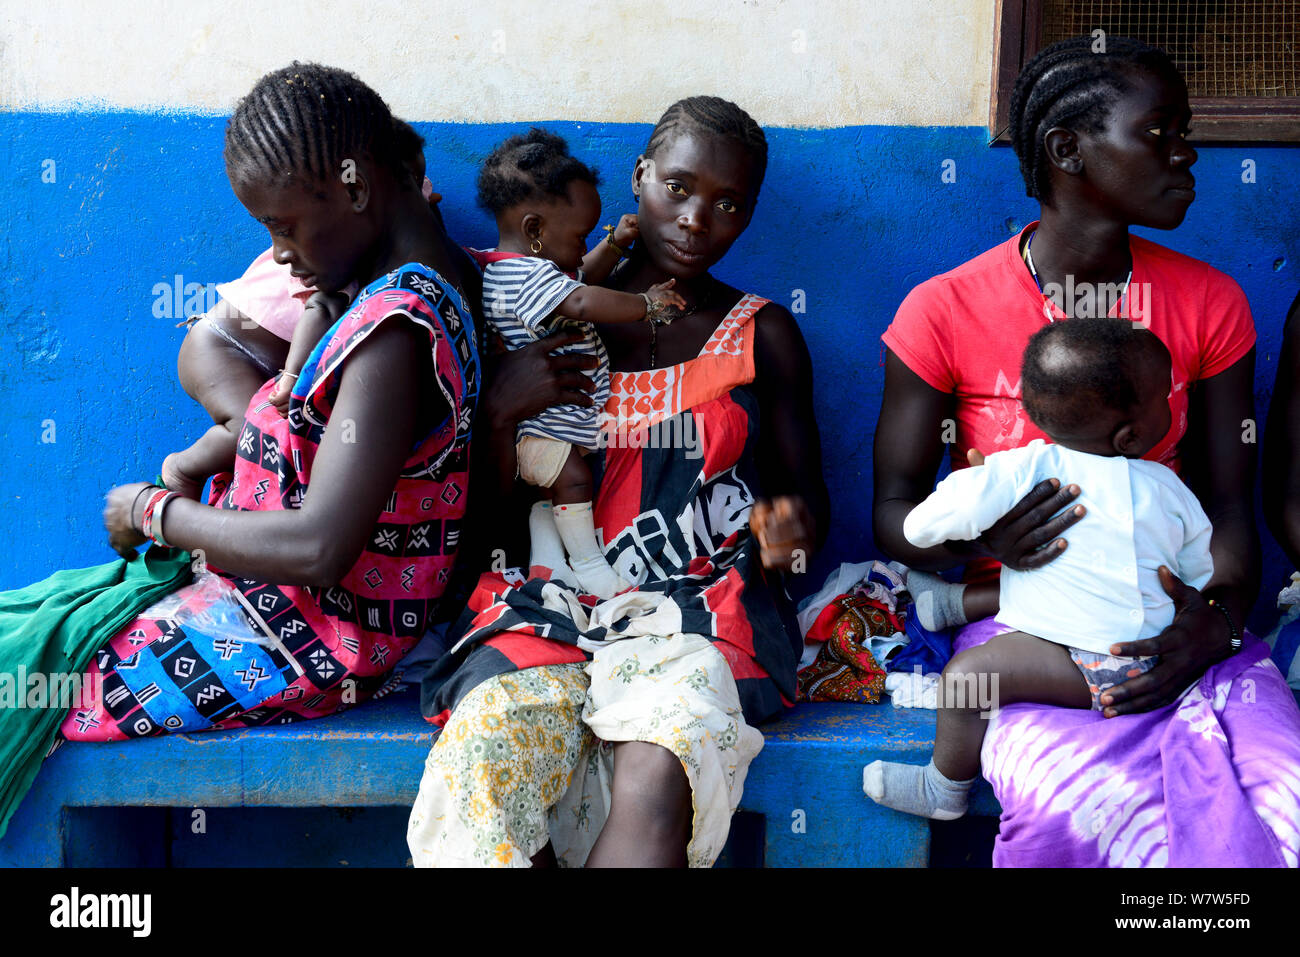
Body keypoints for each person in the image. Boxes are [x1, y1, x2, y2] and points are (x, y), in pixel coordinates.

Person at [873, 36, 1300, 866]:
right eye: (1160, 131)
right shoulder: (942, 309)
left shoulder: (1211, 303)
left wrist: (1210, 628)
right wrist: (978, 547)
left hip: (1182, 622)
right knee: (1081, 810)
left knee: (1286, 795)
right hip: (1026, 631)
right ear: (1067, 148)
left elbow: (1226, 508)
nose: (1188, 150)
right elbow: (893, 508)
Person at [407, 95, 829, 868]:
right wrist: (499, 416)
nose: (697, 218)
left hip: (698, 609)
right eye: (677, 187)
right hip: (543, 604)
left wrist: (786, 536)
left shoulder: (762, 334)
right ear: (640, 177)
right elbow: (482, 533)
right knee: (486, 757)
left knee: (664, 759)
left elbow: (807, 519)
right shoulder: (549, 317)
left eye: (728, 204)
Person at [62, 63, 482, 740]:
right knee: (35, 626)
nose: (279, 253)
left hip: (310, 637)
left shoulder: (397, 331)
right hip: (276, 610)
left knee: (33, 687)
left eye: (284, 226)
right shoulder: (412, 285)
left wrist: (153, 512)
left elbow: (319, 545)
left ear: (357, 187)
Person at [865, 320, 1213, 819]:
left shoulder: (1018, 469)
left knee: (966, 680)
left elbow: (921, 529)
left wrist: (976, 490)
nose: (1172, 403)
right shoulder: (1167, 485)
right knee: (1062, 578)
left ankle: (944, 790)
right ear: (1132, 433)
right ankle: (947, 604)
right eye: (1165, 396)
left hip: (1072, 662)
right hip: (1151, 661)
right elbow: (1198, 571)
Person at [161, 119, 436, 499]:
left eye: (420, 183)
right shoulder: (326, 252)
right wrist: (292, 380)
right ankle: (182, 470)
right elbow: (318, 310)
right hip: (221, 346)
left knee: (266, 439)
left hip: (257, 354)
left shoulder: (383, 237)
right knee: (248, 430)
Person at [471, 128, 686, 598]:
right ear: (534, 231)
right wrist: (645, 305)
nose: (584, 243)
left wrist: (614, 245)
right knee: (573, 481)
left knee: (551, 499)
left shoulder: (523, 270)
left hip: (554, 424)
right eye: (581, 235)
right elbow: (585, 300)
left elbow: (580, 276)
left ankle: (549, 566)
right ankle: (589, 565)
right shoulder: (521, 275)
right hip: (539, 431)